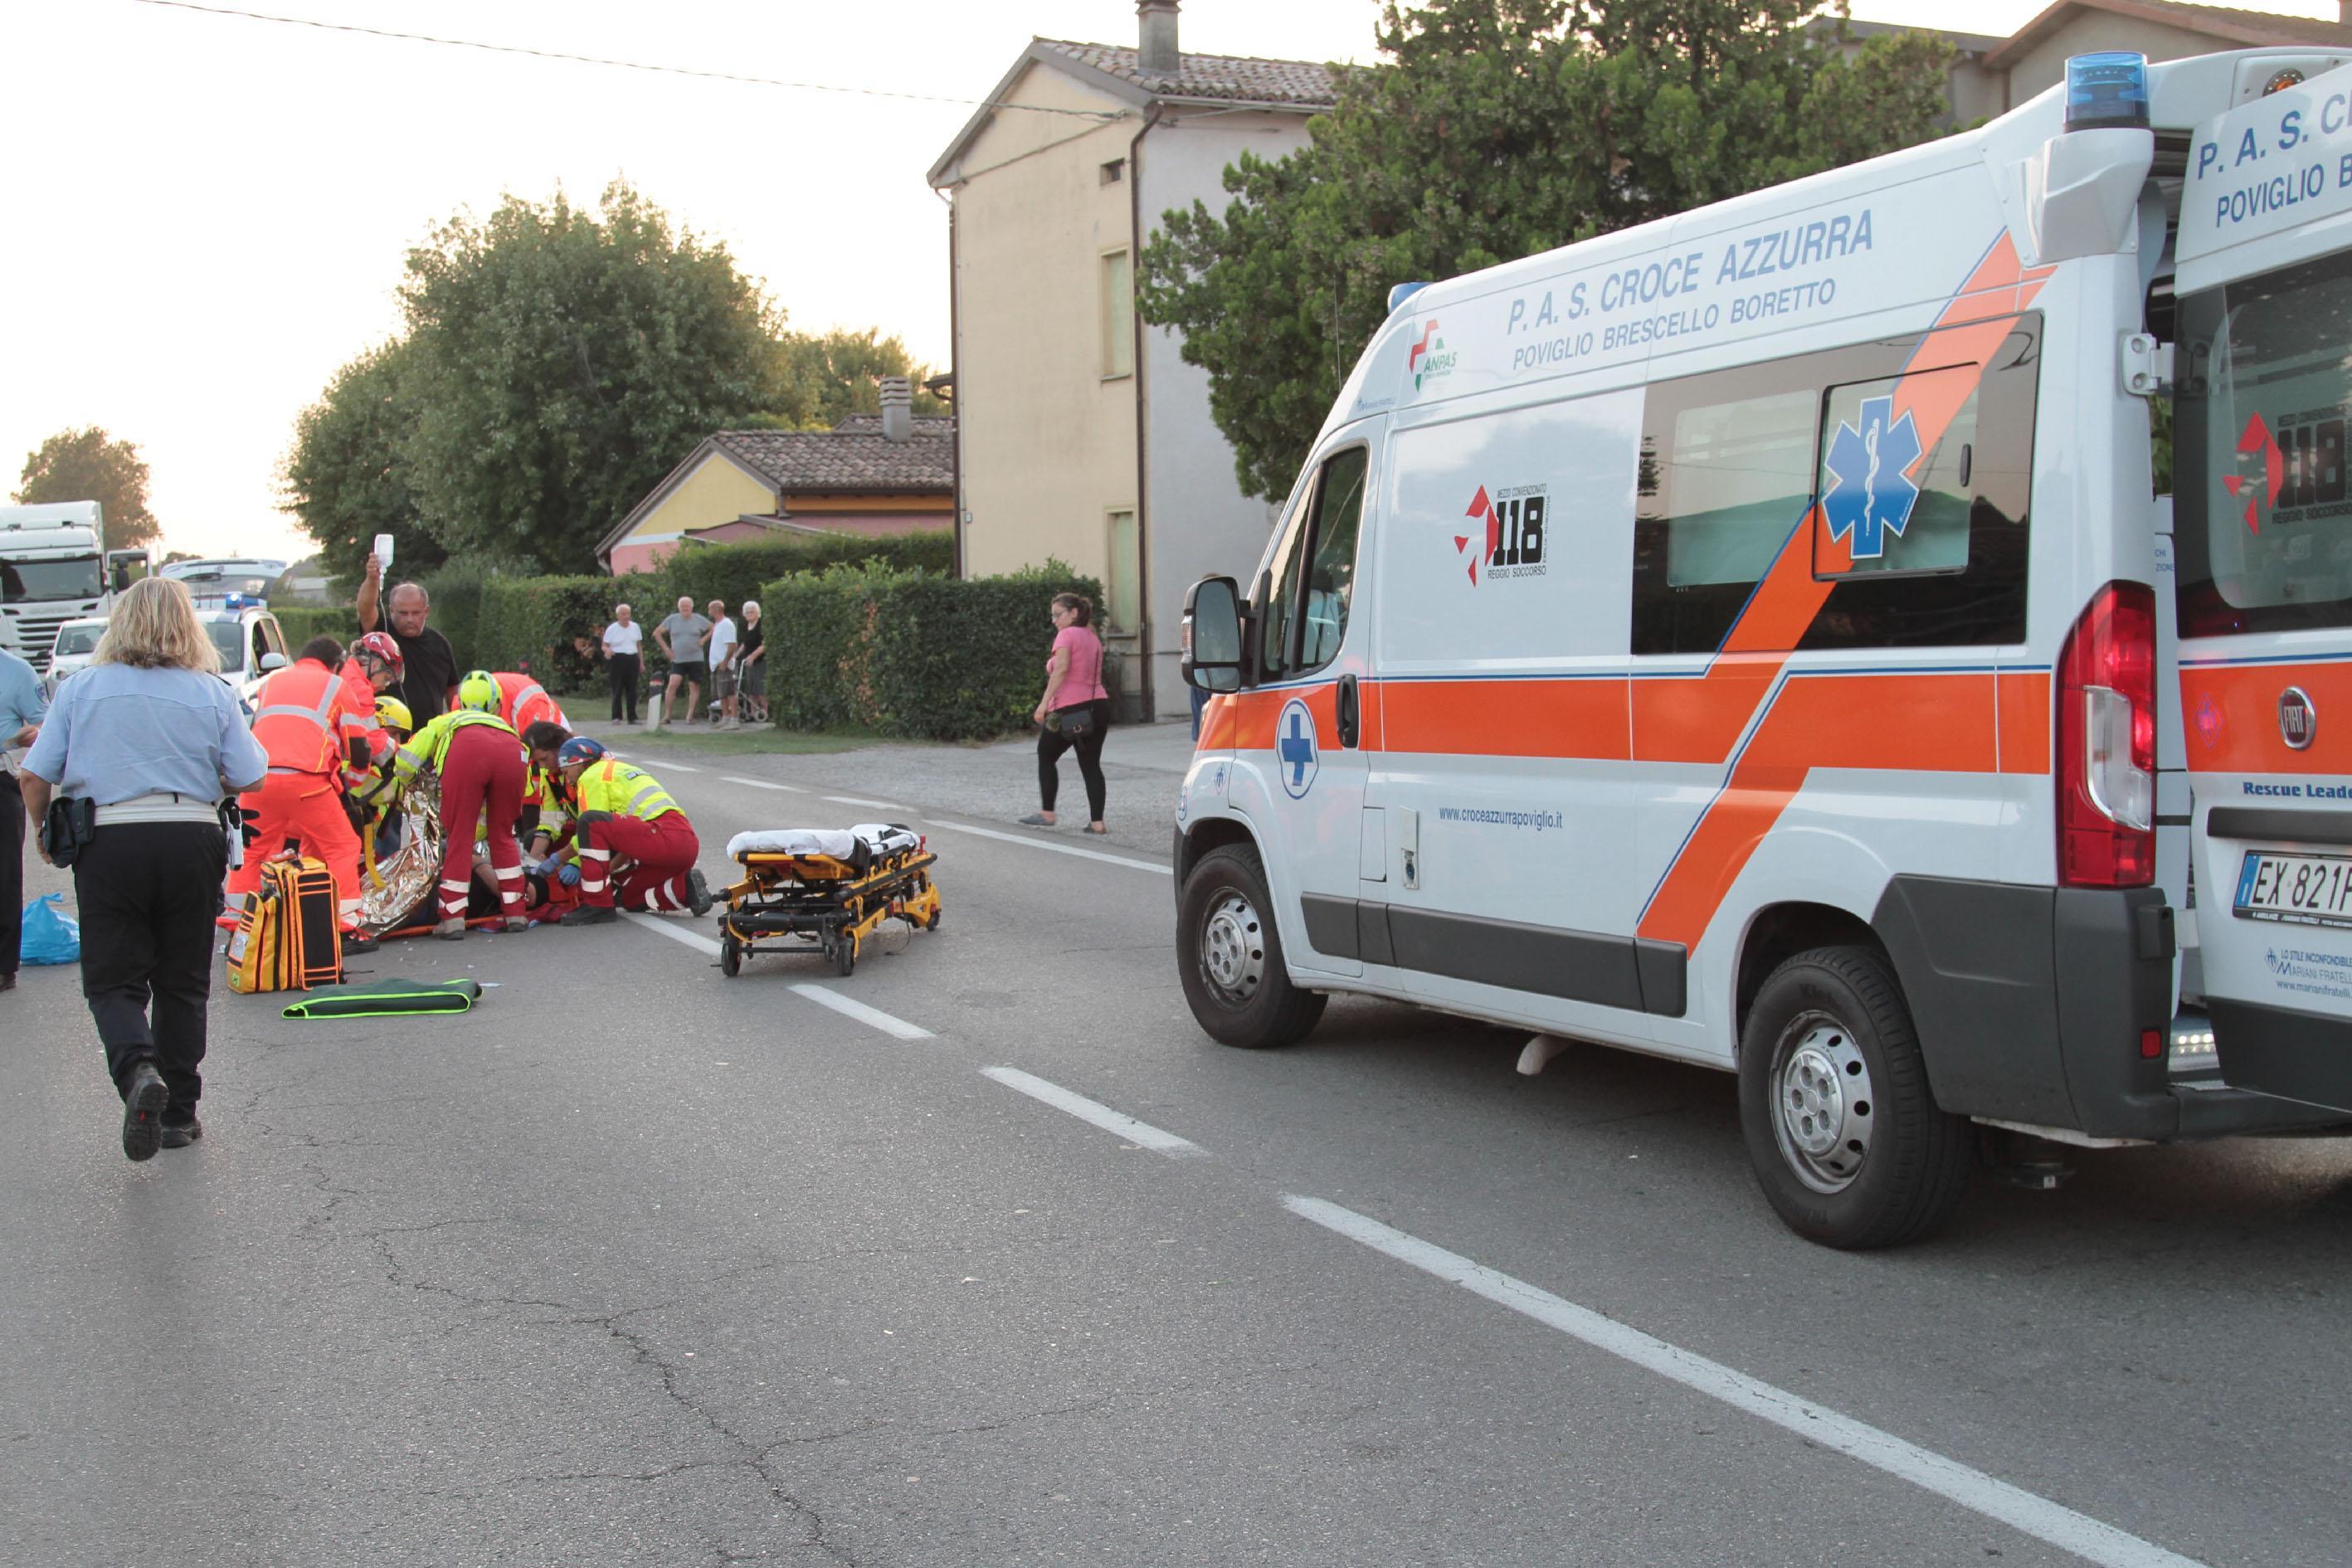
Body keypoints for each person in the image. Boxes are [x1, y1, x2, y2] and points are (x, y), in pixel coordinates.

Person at [20, 577, 268, 1160]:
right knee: (182, 983)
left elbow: (35, 775)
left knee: (112, 980)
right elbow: (250, 774)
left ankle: (137, 1071)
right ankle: (180, 1114)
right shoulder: (211, 692)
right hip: (192, 837)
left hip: (111, 840)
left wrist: (42, 832)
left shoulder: (81, 690)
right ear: (188, 627)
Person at [224, 635, 382, 949]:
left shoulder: (272, 682)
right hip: (307, 780)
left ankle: (239, 928)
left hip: (259, 781)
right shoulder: (337, 686)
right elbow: (359, 746)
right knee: (342, 846)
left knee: (254, 851)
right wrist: (354, 783)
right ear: (336, 665)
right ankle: (345, 926)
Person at [359, 669, 529, 939]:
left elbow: (407, 760)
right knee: (504, 837)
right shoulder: (508, 729)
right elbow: (526, 786)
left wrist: (403, 782)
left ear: (459, 702)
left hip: (467, 751)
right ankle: (516, 912)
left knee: (460, 838)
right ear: (497, 704)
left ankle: (452, 919)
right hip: (514, 754)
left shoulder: (447, 721)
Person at [533, 738, 711, 924]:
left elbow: (591, 829)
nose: (568, 780)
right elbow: (628, 840)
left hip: (662, 836)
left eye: (567, 772)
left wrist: (561, 860)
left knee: (588, 821)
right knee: (630, 897)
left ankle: (597, 905)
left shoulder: (591, 776)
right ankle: (685, 887)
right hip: (683, 844)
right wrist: (608, 870)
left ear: (579, 763)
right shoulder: (621, 770)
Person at [1019, 592, 1112, 835]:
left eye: (1058, 614)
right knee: (1091, 764)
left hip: (1069, 709)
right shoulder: (1093, 638)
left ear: (1074, 613)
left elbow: (1061, 670)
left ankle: (1047, 813)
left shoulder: (1066, 635)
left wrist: (1043, 704)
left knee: (1045, 755)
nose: (1054, 620)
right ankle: (1097, 822)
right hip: (1098, 706)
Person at [354, 553, 459, 723]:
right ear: (391, 611)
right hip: (388, 735)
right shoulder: (381, 634)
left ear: (426, 611)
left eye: (416, 613)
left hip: (429, 738)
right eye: (403, 613)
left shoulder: (440, 644)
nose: (410, 619)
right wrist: (372, 580)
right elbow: (365, 609)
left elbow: (452, 690)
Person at [0, 643, 46, 995]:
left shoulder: (16, 671)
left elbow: (43, 726)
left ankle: (3, 966)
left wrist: (20, 738)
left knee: (4, 872)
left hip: (1, 778)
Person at [655, 596, 711, 726]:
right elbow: (657, 633)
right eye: (682, 606)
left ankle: (690, 715)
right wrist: (666, 649)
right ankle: (667, 716)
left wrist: (704, 639)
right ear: (678, 607)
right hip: (678, 659)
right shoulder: (672, 619)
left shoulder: (698, 619)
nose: (685, 608)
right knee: (672, 685)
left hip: (696, 658)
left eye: (687, 606)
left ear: (692, 607)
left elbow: (713, 628)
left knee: (694, 686)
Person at [601, 602, 642, 723]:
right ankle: (616, 716)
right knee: (617, 688)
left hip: (632, 658)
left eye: (628, 614)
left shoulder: (635, 627)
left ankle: (632, 717)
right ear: (618, 615)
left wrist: (641, 662)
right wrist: (608, 650)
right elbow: (604, 645)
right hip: (618, 659)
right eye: (623, 614)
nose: (626, 616)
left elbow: (639, 646)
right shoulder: (612, 629)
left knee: (632, 690)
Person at [706, 598, 739, 728]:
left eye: (710, 609)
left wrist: (725, 661)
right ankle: (725, 717)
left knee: (730, 692)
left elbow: (732, 645)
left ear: (717, 610)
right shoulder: (717, 625)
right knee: (721, 693)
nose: (709, 612)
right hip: (716, 665)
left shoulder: (727, 624)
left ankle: (734, 719)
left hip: (723, 664)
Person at [738, 600, 767, 725]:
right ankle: (753, 713)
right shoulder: (748, 626)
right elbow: (745, 644)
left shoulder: (761, 625)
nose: (749, 614)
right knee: (750, 688)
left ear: (757, 613)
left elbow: (765, 644)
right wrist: (735, 656)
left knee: (760, 688)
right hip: (748, 662)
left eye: (752, 612)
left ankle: (765, 712)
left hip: (760, 661)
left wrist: (753, 656)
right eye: (747, 612)